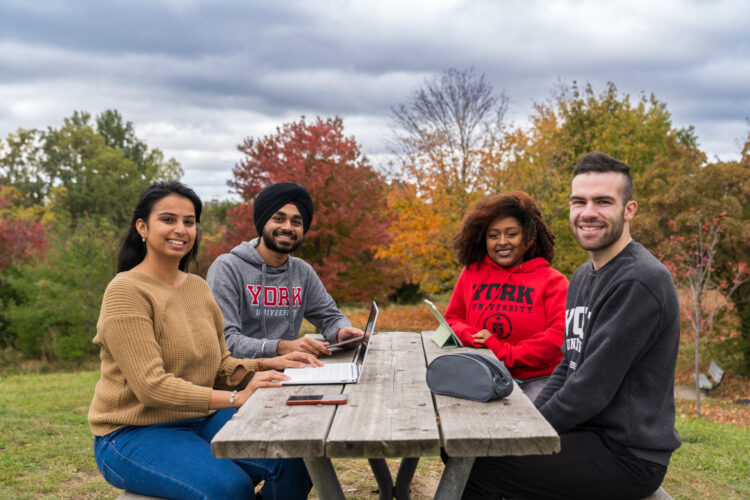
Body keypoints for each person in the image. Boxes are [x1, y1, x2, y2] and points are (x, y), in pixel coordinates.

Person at [461, 152, 681, 499]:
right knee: (465, 449)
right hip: (588, 435)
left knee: (474, 461)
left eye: (603, 201)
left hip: (627, 455)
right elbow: (567, 366)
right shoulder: (583, 276)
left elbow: (589, 390)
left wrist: (527, 433)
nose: (588, 212)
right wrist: (528, 421)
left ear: (629, 210)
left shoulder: (638, 280)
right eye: (579, 201)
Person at [88, 181, 319, 500]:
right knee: (230, 487)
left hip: (200, 419)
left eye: (189, 221)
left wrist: (267, 364)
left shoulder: (197, 287)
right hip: (133, 434)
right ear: (142, 226)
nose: (180, 229)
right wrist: (234, 399)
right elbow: (151, 387)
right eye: (168, 219)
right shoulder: (126, 292)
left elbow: (220, 365)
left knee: (296, 454)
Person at [207, 182, 363, 359]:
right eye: (279, 219)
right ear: (263, 221)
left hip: (289, 373)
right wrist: (282, 347)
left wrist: (341, 332)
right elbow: (225, 341)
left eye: (296, 222)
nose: (288, 227)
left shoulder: (302, 272)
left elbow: (330, 316)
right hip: (239, 379)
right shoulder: (228, 268)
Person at [445, 191, 568, 401]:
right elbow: (452, 320)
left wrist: (505, 351)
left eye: (511, 234)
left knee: (533, 424)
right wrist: (475, 337)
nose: (502, 242)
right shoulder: (472, 274)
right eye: (494, 235)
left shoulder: (553, 281)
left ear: (528, 237)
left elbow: (559, 337)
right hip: (482, 372)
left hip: (537, 380)